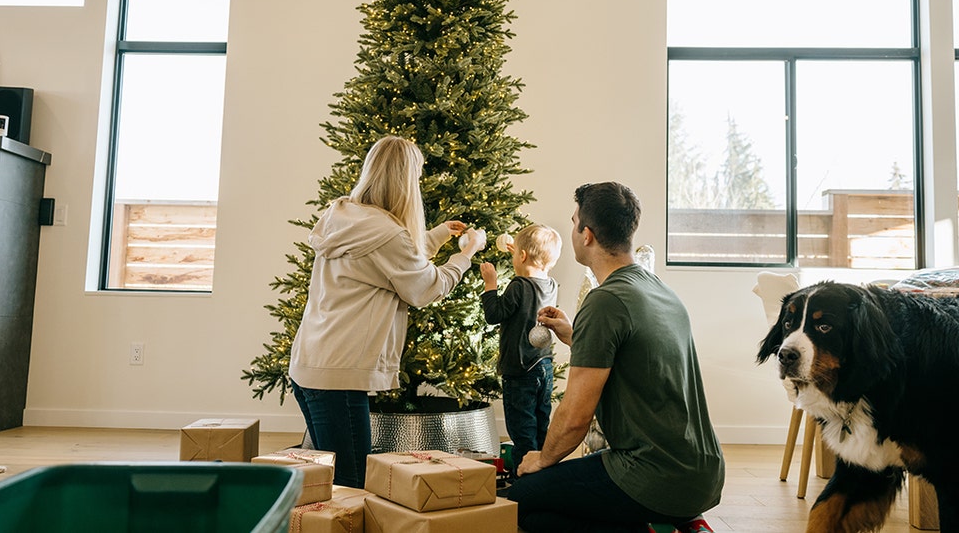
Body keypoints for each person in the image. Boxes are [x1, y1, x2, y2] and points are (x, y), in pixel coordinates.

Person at [508, 182, 724, 533]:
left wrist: (541, 459)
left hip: (654, 474)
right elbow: (633, 361)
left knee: (521, 504)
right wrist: (575, 337)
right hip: (702, 472)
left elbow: (576, 418)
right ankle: (673, 524)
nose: (573, 229)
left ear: (587, 234)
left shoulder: (605, 300)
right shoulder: (657, 289)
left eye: (574, 221)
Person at [287, 135, 486, 488]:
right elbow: (426, 287)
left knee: (333, 483)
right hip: (340, 374)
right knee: (351, 485)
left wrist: (438, 235)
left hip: (311, 362)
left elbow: (391, 256)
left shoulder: (343, 214)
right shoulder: (388, 235)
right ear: (407, 181)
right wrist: (465, 255)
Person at [479, 223, 561, 480]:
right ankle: (543, 470)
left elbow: (495, 314)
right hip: (543, 365)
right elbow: (533, 268)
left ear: (522, 256)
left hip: (520, 368)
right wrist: (523, 253)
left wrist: (490, 283)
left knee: (521, 426)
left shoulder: (518, 286)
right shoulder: (552, 284)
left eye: (517, 254)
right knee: (540, 422)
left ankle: (525, 478)